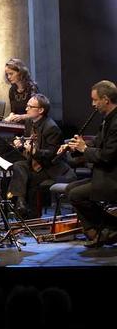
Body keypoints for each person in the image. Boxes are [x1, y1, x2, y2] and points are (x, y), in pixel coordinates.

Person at [60, 80, 117, 247]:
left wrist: (84, 149)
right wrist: (75, 147)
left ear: (105, 99)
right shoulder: (108, 119)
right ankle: (99, 232)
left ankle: (109, 229)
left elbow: (107, 155)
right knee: (71, 189)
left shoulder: (116, 122)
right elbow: (97, 144)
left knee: (76, 195)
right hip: (106, 173)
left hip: (113, 176)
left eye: (95, 100)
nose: (93, 104)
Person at [6, 94, 75, 218]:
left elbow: (52, 154)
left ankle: (28, 215)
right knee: (17, 165)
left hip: (49, 167)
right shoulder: (29, 122)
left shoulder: (51, 128)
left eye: (30, 106)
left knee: (27, 179)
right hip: (35, 163)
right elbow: (28, 140)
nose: (26, 109)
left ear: (41, 110)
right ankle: (21, 203)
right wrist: (20, 142)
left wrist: (34, 152)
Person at [3, 58, 38, 122]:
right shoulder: (12, 90)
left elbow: (36, 113)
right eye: (7, 74)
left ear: (20, 72)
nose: (8, 77)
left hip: (31, 125)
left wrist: (22, 117)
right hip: (18, 125)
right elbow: (13, 111)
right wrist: (10, 117)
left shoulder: (32, 88)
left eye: (11, 74)